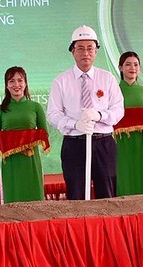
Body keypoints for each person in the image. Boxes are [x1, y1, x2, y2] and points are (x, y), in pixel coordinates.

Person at [47, 25, 124, 200]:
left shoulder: (107, 78)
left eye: (90, 48)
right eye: (80, 48)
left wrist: (100, 115)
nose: (85, 53)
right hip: (74, 144)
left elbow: (118, 110)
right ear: (72, 52)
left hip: (103, 144)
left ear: (96, 51)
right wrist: (75, 124)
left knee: (107, 194)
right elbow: (53, 114)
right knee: (76, 195)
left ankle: (107, 227)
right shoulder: (61, 81)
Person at [0, 67, 48, 203]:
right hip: (10, 161)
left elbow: (43, 133)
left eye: (20, 80)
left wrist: (26, 140)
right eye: (11, 81)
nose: (16, 85)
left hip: (31, 160)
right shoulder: (0, 110)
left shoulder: (36, 107)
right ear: (6, 85)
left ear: (25, 83)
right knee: (13, 196)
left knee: (34, 196)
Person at [116, 51, 143, 196]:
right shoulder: (114, 90)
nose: (132, 68)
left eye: (135, 64)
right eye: (128, 64)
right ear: (120, 68)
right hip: (120, 142)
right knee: (124, 173)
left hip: (142, 140)